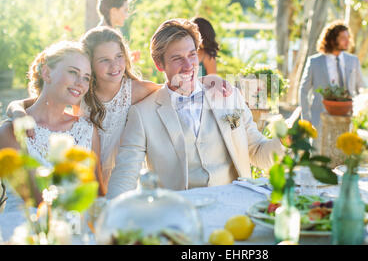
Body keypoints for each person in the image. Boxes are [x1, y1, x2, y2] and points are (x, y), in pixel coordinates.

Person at [7, 27, 232, 189]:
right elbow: (37, 103)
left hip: (122, 180)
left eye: (118, 57)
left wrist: (208, 80)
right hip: (87, 180)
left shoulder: (134, 91)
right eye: (104, 60)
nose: (114, 65)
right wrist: (16, 110)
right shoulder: (81, 93)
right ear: (91, 65)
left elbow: (174, 85)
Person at [107, 19, 284, 199]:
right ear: (159, 64)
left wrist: (286, 142)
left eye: (192, 55)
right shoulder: (143, 114)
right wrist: (111, 214)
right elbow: (125, 174)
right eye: (177, 58)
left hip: (235, 208)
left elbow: (258, 152)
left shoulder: (228, 96)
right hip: (181, 216)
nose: (188, 65)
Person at [0, 41, 106, 196]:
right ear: (46, 73)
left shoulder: (87, 130)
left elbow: (97, 195)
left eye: (86, 78)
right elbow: (35, 200)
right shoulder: (11, 131)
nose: (80, 83)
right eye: (72, 72)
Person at [299, 20, 365, 141]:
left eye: (348, 37)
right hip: (319, 119)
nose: (347, 41)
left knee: (344, 156)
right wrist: (306, 119)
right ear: (331, 39)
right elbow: (303, 91)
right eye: (343, 38)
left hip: (348, 117)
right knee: (318, 155)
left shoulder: (353, 60)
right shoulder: (315, 62)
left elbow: (361, 87)